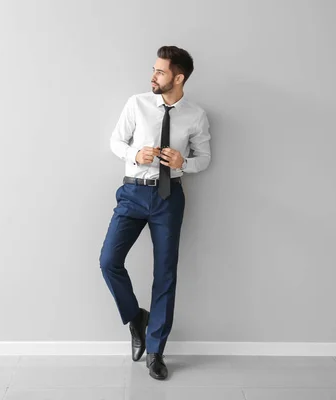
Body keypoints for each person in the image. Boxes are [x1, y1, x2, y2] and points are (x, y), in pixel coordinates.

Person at [99, 45, 211, 380]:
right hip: (133, 193)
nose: (153, 76)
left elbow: (204, 158)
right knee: (108, 261)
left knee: (165, 274)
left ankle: (156, 351)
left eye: (160, 72)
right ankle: (136, 318)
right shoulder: (137, 104)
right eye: (154, 69)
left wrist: (184, 163)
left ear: (178, 78)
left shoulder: (196, 115)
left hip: (168, 197)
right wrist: (137, 154)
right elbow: (116, 142)